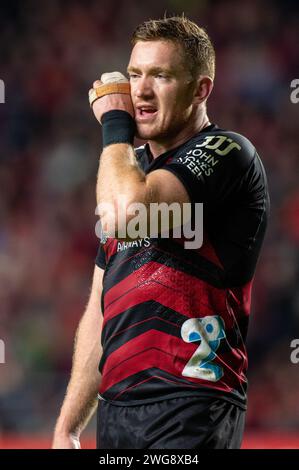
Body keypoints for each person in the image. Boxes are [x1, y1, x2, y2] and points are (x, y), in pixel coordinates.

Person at [52, 15, 269, 449]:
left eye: (161, 76)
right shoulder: (127, 173)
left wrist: (114, 123)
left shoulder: (227, 152)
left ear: (201, 89)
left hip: (192, 406)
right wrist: (68, 427)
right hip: (118, 412)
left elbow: (128, 214)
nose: (140, 91)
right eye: (134, 74)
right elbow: (101, 308)